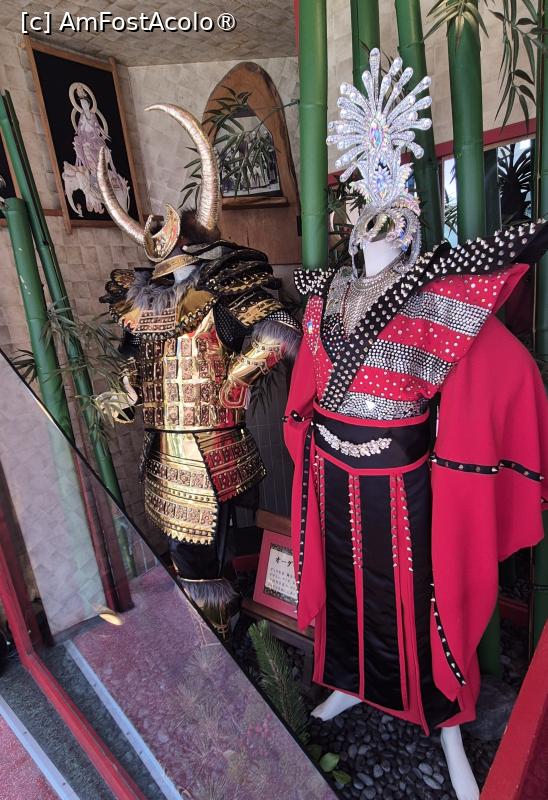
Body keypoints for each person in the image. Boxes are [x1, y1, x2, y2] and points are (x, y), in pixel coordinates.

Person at [284, 49, 548, 800]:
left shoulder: (435, 294)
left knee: (417, 595)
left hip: (403, 481)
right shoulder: (326, 294)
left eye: (394, 216)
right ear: (351, 220)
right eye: (368, 214)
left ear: (411, 222)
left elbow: (498, 362)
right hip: (332, 471)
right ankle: (350, 682)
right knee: (344, 585)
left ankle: (445, 719)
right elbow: (308, 378)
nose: (380, 226)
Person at [97, 102, 300, 639]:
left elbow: (278, 332)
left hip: (212, 448)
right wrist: (128, 395)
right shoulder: (146, 303)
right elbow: (140, 366)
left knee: (206, 557)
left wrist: (236, 378)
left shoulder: (223, 285)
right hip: (164, 450)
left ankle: (218, 649)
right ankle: (212, 643)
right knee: (191, 555)